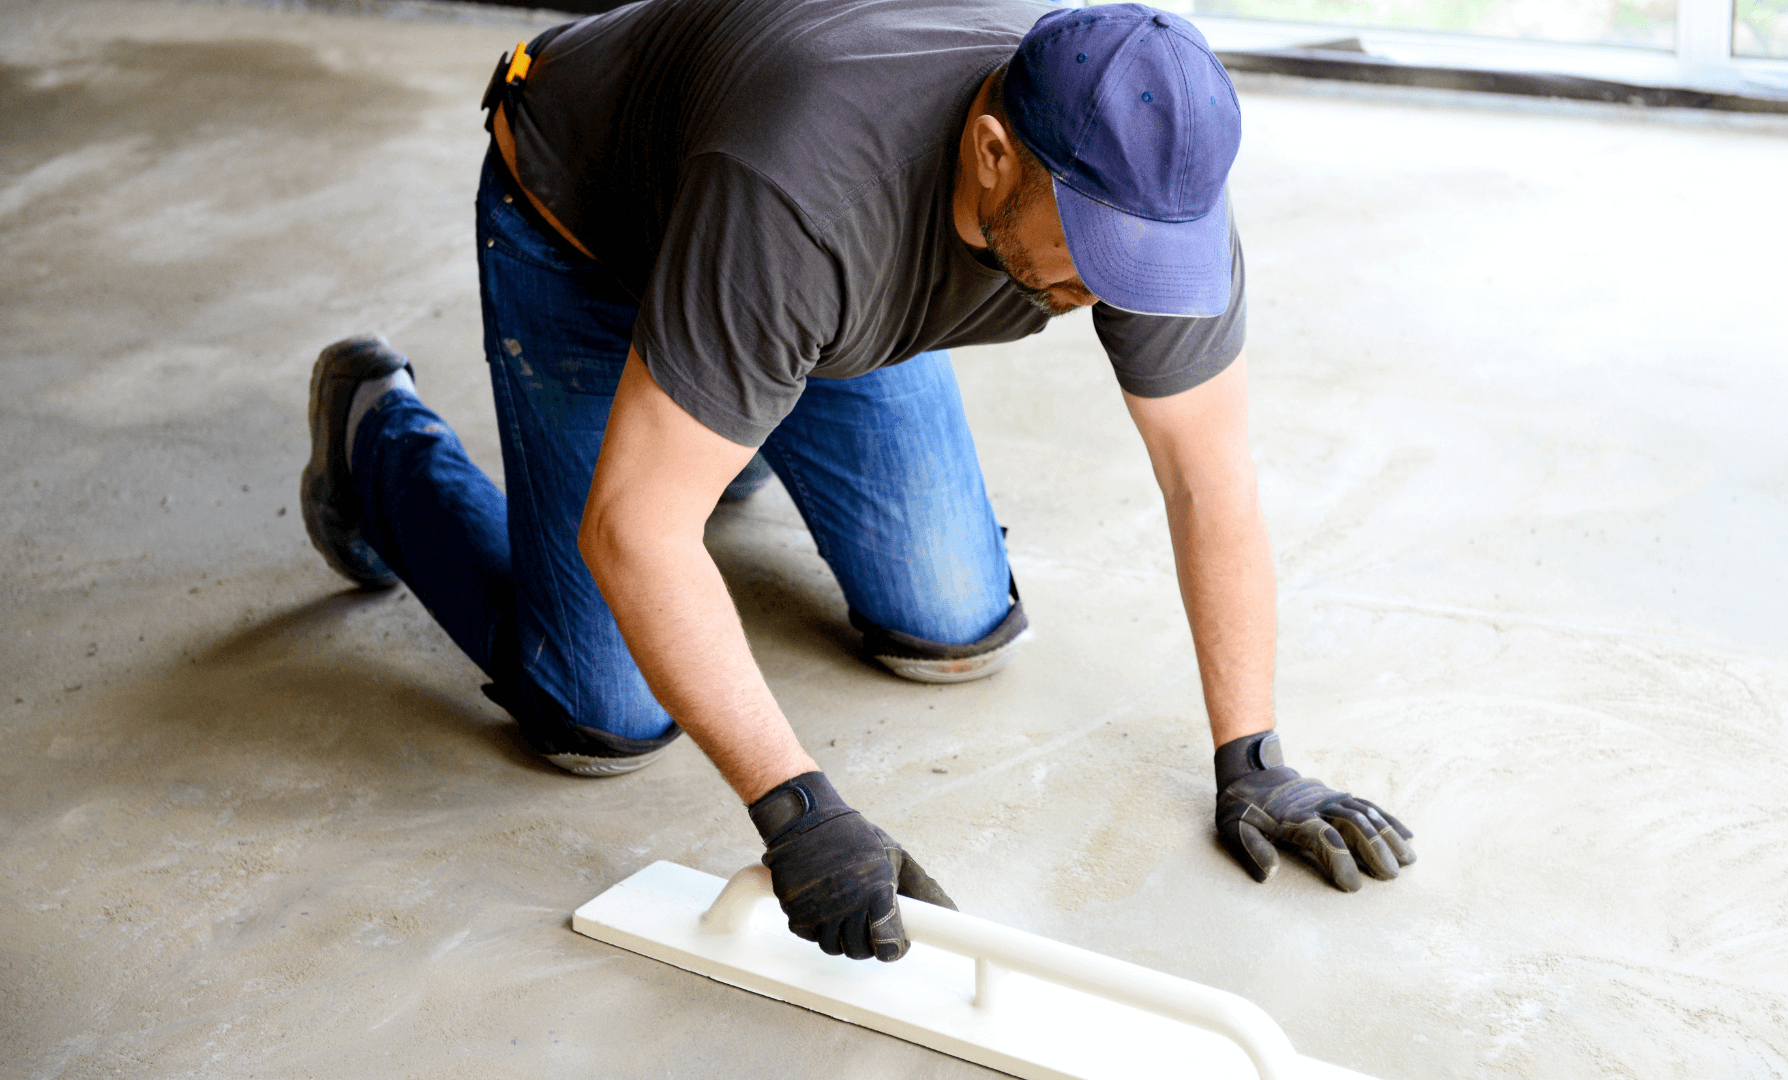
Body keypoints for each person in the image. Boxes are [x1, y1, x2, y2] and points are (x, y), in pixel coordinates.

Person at [300, 0, 1415, 963]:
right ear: (991, 152)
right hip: (593, 226)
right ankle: (374, 439)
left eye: (1144, 257)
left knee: (954, 626)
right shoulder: (806, 199)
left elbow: (1207, 474)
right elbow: (634, 532)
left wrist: (1255, 756)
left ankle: (722, 406)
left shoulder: (1148, 188)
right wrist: (798, 812)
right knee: (601, 715)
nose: (1115, 287)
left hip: (794, 287)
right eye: (1094, 249)